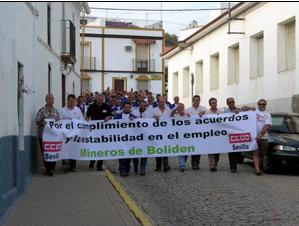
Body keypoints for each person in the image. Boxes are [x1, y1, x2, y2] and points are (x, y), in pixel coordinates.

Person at [86, 94, 112, 171]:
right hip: (94, 131)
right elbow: (87, 116)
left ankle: (99, 165)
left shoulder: (106, 106)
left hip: (103, 131)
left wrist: (108, 117)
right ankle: (92, 161)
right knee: (94, 147)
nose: (100, 102)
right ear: (96, 99)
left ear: (103, 99)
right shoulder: (92, 106)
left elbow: (110, 115)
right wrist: (86, 123)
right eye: (99, 100)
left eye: (102, 100)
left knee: (102, 148)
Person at [36, 93, 60, 176]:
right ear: (46, 100)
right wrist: (44, 123)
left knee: (53, 151)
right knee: (45, 152)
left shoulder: (56, 111)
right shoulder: (42, 110)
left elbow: (59, 122)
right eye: (49, 99)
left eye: (52, 99)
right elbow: (37, 121)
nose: (51, 100)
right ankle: (48, 168)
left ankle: (52, 169)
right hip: (43, 135)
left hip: (53, 136)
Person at [60, 94, 85, 172]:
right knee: (65, 149)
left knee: (74, 150)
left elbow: (82, 121)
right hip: (65, 135)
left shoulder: (78, 110)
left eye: (74, 101)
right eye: (71, 101)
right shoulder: (62, 111)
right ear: (67, 101)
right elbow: (59, 122)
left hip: (75, 134)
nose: (72, 103)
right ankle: (65, 164)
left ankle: (73, 166)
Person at [114, 102, 137, 176]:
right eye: (126, 107)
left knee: (128, 156)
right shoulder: (118, 116)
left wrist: (134, 121)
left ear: (130, 108)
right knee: (121, 154)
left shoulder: (134, 117)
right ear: (123, 107)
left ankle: (127, 169)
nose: (127, 108)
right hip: (120, 138)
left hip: (130, 139)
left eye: (128, 107)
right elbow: (112, 125)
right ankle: (122, 170)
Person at [185, 95, 207, 170]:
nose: (196, 101)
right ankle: (193, 164)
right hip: (191, 132)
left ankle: (196, 163)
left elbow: (208, 117)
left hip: (200, 132)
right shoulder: (188, 109)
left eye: (198, 100)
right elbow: (184, 119)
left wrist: (203, 114)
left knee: (198, 148)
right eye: (195, 100)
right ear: (193, 101)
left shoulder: (203, 109)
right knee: (193, 148)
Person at [132, 100, 152, 175]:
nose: (143, 107)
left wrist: (155, 118)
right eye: (141, 105)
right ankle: (135, 164)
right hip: (135, 136)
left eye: (144, 105)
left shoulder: (148, 113)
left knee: (144, 153)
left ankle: (142, 169)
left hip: (145, 136)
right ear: (139, 105)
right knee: (135, 154)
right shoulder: (134, 112)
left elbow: (152, 121)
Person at [152, 97, 171, 172]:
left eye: (163, 102)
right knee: (158, 149)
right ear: (158, 102)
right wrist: (153, 117)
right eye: (160, 102)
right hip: (157, 132)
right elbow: (148, 120)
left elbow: (173, 119)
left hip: (166, 133)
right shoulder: (154, 110)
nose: (162, 103)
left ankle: (166, 166)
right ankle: (158, 166)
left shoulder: (168, 110)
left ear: (165, 102)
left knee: (165, 149)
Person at [254, 99, 272, 175]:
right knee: (256, 153)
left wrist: (260, 134)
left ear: (265, 105)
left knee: (262, 154)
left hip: (263, 137)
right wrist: (248, 107)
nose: (261, 105)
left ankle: (258, 166)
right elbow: (243, 110)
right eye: (260, 104)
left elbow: (267, 125)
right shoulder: (254, 112)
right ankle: (257, 169)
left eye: (263, 104)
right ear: (258, 104)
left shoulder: (267, 114)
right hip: (254, 137)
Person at [171, 103, 189, 172]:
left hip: (186, 137)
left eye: (181, 107)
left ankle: (183, 163)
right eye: (179, 107)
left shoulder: (187, 115)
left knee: (186, 152)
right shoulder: (175, 116)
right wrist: (175, 109)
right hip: (178, 137)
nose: (180, 108)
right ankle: (182, 166)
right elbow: (171, 115)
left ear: (183, 108)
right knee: (180, 151)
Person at [205, 98, 221, 172]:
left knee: (217, 151)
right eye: (212, 103)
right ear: (210, 104)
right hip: (210, 134)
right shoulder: (207, 112)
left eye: (215, 102)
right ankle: (212, 165)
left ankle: (215, 163)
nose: (214, 104)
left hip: (218, 134)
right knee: (211, 150)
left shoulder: (220, 112)